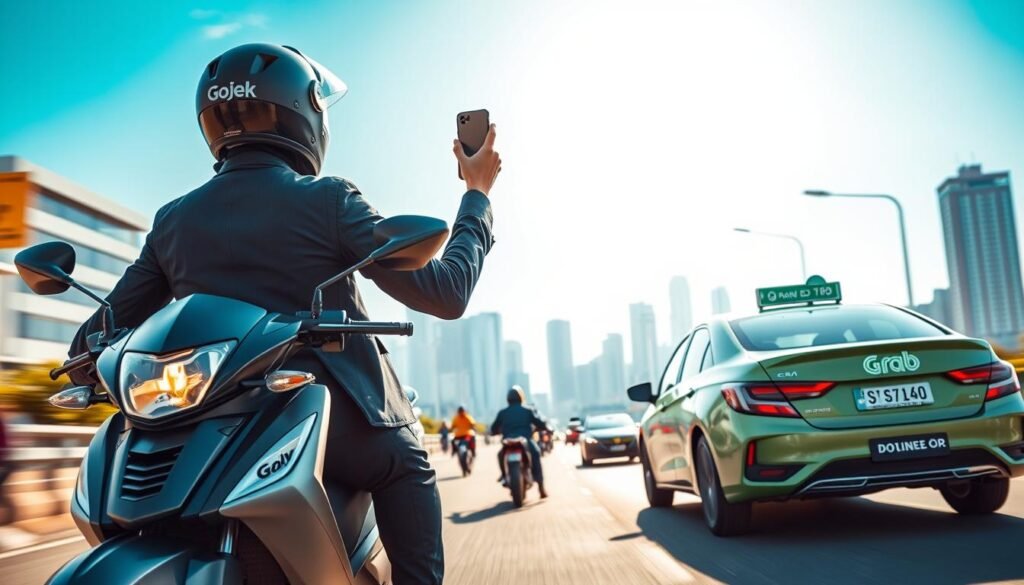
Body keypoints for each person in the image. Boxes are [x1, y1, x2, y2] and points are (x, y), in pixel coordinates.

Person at [66, 43, 500, 585]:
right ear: (305, 112)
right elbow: (446, 292)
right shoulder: (327, 198)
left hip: (206, 435)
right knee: (406, 466)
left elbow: (90, 344)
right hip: (336, 419)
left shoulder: (173, 219)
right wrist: (477, 194)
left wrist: (95, 362)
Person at [490, 386, 549, 498]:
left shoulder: (502, 413)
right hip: (525, 440)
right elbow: (540, 423)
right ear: (521, 398)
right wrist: (543, 427)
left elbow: (493, 428)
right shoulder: (528, 410)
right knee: (536, 453)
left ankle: (504, 476)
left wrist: (495, 432)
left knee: (500, 454)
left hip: (508, 441)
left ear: (508, 399)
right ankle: (541, 487)